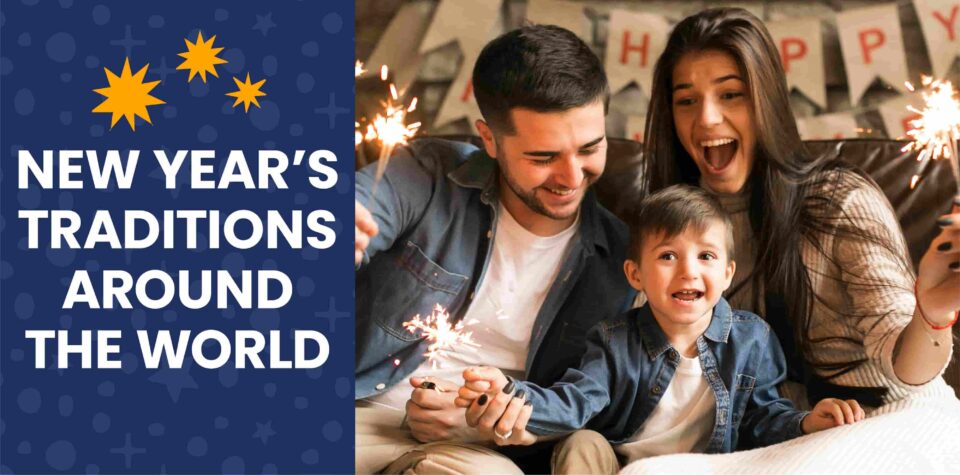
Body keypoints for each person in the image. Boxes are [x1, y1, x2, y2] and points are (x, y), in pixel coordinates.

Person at [639, 7, 958, 412]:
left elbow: (905, 370)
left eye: (731, 94)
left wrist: (933, 311)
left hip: (886, 415)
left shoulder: (838, 200)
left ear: (766, 101)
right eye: (686, 101)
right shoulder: (669, 222)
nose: (706, 118)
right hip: (770, 434)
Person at [353, 24, 635, 474]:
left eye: (589, 148)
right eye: (543, 157)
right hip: (358, 413)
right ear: (490, 140)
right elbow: (357, 205)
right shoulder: (428, 174)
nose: (571, 177)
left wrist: (497, 422)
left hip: (471, 451)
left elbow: (597, 399)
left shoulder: (622, 262)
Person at [456, 185, 865, 473]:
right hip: (622, 463)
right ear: (636, 275)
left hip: (707, 465)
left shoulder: (751, 338)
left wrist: (807, 422)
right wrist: (510, 394)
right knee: (581, 443)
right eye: (668, 255)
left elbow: (762, 417)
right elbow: (575, 402)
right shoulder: (614, 339)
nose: (688, 270)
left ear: (727, 273)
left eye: (705, 256)